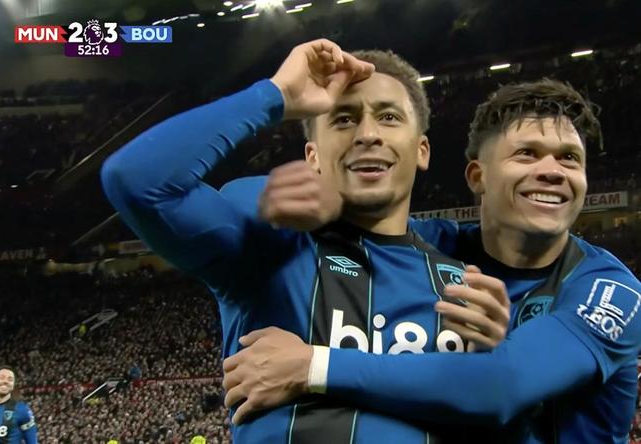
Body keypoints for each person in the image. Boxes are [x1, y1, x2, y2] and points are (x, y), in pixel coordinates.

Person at [101, 39, 510, 443]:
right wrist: (274, 95)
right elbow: (137, 181)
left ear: (421, 150)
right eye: (344, 119)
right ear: (312, 156)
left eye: (388, 117)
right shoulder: (267, 248)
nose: (368, 134)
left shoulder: (466, 280)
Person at [222, 79, 641, 443]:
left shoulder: (610, 290)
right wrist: (326, 198)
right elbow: (240, 202)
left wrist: (314, 365)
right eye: (527, 154)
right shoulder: (437, 246)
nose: (553, 171)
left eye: (570, 158)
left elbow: (503, 384)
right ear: (477, 177)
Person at [0, 366, 38, 444]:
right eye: (1, 377)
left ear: (13, 385)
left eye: (10, 379)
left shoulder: (22, 410)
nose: (5, 381)